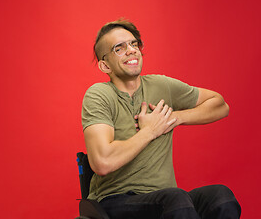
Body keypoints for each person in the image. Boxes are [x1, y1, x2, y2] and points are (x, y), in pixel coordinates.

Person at [81, 19, 241, 219]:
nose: (131, 50)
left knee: (221, 196)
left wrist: (174, 117)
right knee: (176, 200)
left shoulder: (161, 85)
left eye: (133, 44)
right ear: (105, 65)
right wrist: (150, 131)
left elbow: (220, 105)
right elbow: (102, 163)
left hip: (167, 199)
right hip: (115, 200)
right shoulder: (99, 95)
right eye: (119, 48)